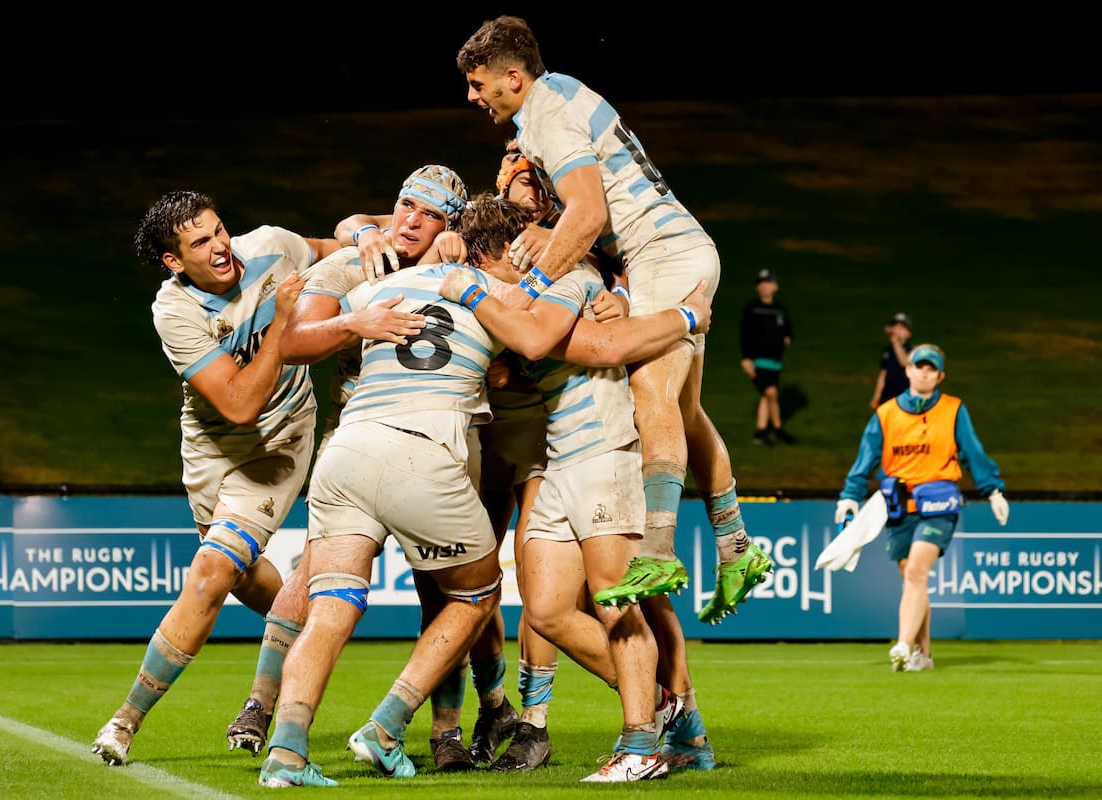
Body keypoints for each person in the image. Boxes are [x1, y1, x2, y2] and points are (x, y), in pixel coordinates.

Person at [455, 16, 772, 624]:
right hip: (671, 248)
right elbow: (596, 216)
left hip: (665, 253)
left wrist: (536, 287)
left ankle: (657, 548)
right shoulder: (566, 95)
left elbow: (589, 213)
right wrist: (612, 279)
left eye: (477, 84)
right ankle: (736, 547)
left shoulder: (547, 116)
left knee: (648, 389)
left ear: (512, 78)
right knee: (683, 410)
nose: (473, 96)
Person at [255, 195, 536, 788]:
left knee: (329, 607)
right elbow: (544, 344)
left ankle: (285, 754)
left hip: (346, 452)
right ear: (497, 252)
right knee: (476, 595)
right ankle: (386, 727)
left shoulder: (381, 288)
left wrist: (359, 239)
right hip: (423, 452)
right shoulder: (499, 295)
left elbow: (294, 340)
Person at [441, 195, 717, 780]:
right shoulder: (535, 294)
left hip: (606, 455)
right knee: (546, 611)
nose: (481, 280)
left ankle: (641, 745)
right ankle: (667, 707)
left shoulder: (571, 279)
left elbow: (565, 344)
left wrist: (469, 294)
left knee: (617, 601)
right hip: (561, 461)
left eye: (481, 266)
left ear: (505, 254)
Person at [91, 190, 343, 766]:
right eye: (200, 242)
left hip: (277, 446)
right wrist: (282, 323)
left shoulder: (274, 248)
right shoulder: (173, 311)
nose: (220, 246)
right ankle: (306, 626)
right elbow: (235, 405)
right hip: (211, 444)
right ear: (173, 261)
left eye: (220, 230)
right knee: (239, 575)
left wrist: (371, 228)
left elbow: (341, 248)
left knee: (211, 570)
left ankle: (126, 722)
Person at [835, 343, 1009, 672]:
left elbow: (973, 451)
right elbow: (866, 458)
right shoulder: (886, 413)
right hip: (900, 506)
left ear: (940, 376)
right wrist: (850, 495)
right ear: (908, 370)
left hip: (940, 503)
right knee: (912, 578)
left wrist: (993, 490)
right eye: (919, 366)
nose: (924, 372)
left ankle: (902, 644)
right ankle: (923, 654)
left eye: (931, 368)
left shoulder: (954, 409)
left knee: (916, 571)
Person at [740, 268, 795, 445]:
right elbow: (745, 334)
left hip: (775, 362)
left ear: (775, 287)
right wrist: (746, 358)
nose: (765, 287)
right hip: (758, 361)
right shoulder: (753, 309)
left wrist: (786, 338)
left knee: (766, 395)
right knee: (771, 392)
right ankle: (778, 429)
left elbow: (788, 330)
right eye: (761, 284)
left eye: (768, 283)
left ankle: (761, 431)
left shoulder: (780, 310)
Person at [870, 312, 915, 410]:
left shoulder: (911, 350)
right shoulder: (888, 350)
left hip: (904, 396)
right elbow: (883, 374)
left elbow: (904, 362)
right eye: (895, 327)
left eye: (902, 327)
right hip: (887, 396)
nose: (898, 330)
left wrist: (895, 343)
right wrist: (876, 397)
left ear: (908, 333)